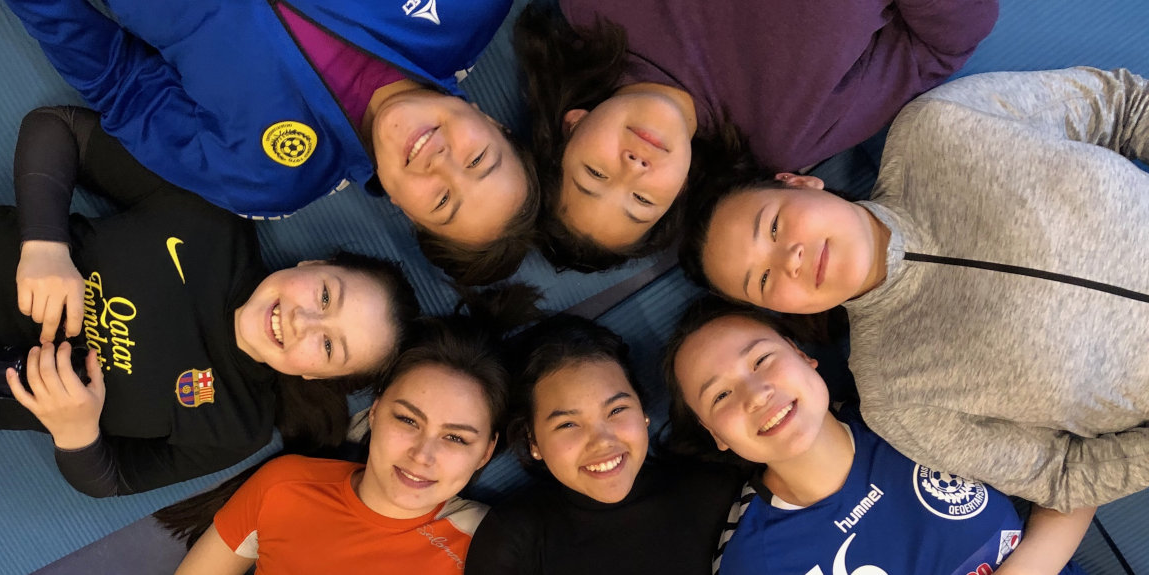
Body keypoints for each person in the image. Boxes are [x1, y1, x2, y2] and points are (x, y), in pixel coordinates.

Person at [680, 67, 1149, 512]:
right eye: (763, 281)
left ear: (799, 183)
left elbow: (1123, 105)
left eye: (775, 227)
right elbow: (1060, 475)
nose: (790, 260)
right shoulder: (896, 396)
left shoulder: (937, 127)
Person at [0, 106, 420, 497]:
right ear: (313, 264)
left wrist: (76, 432)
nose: (303, 321)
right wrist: (44, 244)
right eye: (325, 295)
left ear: (317, 376)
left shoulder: (237, 429)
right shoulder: (211, 218)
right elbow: (58, 127)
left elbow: (112, 480)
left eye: (329, 346)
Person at [1, 0, 538, 285]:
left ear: (404, 211)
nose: (444, 164)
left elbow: (120, 84)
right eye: (479, 159)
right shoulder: (469, 9)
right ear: (496, 124)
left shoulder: (265, 178)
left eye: (442, 201)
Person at [514, 0, 996, 271]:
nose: (633, 168)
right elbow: (933, 52)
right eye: (642, 200)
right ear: (679, 191)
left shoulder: (591, 9)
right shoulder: (785, 135)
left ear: (572, 124)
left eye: (595, 174)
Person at [665, 298, 1090, 575]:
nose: (756, 395)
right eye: (720, 395)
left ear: (802, 355)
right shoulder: (754, 562)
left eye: (761, 359)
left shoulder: (912, 406)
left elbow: (1078, 469)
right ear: (715, 434)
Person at [155, 311, 513, 575]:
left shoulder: (492, 545)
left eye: (455, 438)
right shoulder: (285, 485)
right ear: (375, 412)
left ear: (485, 452)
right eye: (407, 420)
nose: (422, 455)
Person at [464, 315, 742, 575]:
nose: (602, 441)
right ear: (532, 441)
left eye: (616, 410)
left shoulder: (719, 492)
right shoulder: (512, 538)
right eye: (567, 424)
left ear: (643, 411)